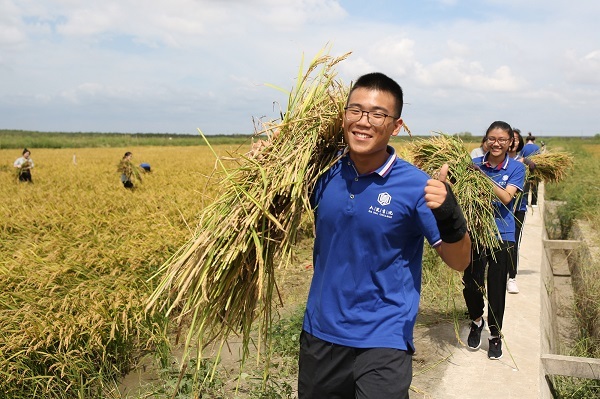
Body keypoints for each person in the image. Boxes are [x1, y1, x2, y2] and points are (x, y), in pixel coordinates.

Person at [298, 72, 471, 398]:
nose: (363, 121)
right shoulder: (321, 173)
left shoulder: (415, 186)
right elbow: (275, 223)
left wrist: (450, 216)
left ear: (396, 125)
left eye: (377, 114)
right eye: (355, 110)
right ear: (344, 115)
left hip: (384, 338)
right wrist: (268, 166)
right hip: (320, 333)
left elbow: (460, 261)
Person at [464, 121, 526, 360]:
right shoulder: (473, 164)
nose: (496, 143)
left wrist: (481, 177)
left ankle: (495, 335)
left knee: (497, 287)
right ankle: (477, 320)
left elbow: (506, 198)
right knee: (471, 281)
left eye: (502, 139)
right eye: (491, 138)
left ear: (510, 142)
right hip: (477, 234)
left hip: (503, 235)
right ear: (485, 140)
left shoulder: (516, 168)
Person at [507, 129, 533, 294]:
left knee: (514, 242)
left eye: (516, 139)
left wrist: (528, 162)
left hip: (518, 208)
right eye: (511, 138)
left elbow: (534, 168)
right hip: (499, 208)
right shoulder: (496, 162)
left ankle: (512, 277)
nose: (513, 142)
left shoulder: (523, 161)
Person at [521, 132, 541, 207]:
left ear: (526, 140)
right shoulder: (537, 147)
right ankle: (534, 203)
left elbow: (521, 158)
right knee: (534, 186)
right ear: (534, 140)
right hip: (535, 170)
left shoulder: (523, 148)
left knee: (526, 187)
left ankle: (525, 203)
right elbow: (540, 158)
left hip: (526, 170)